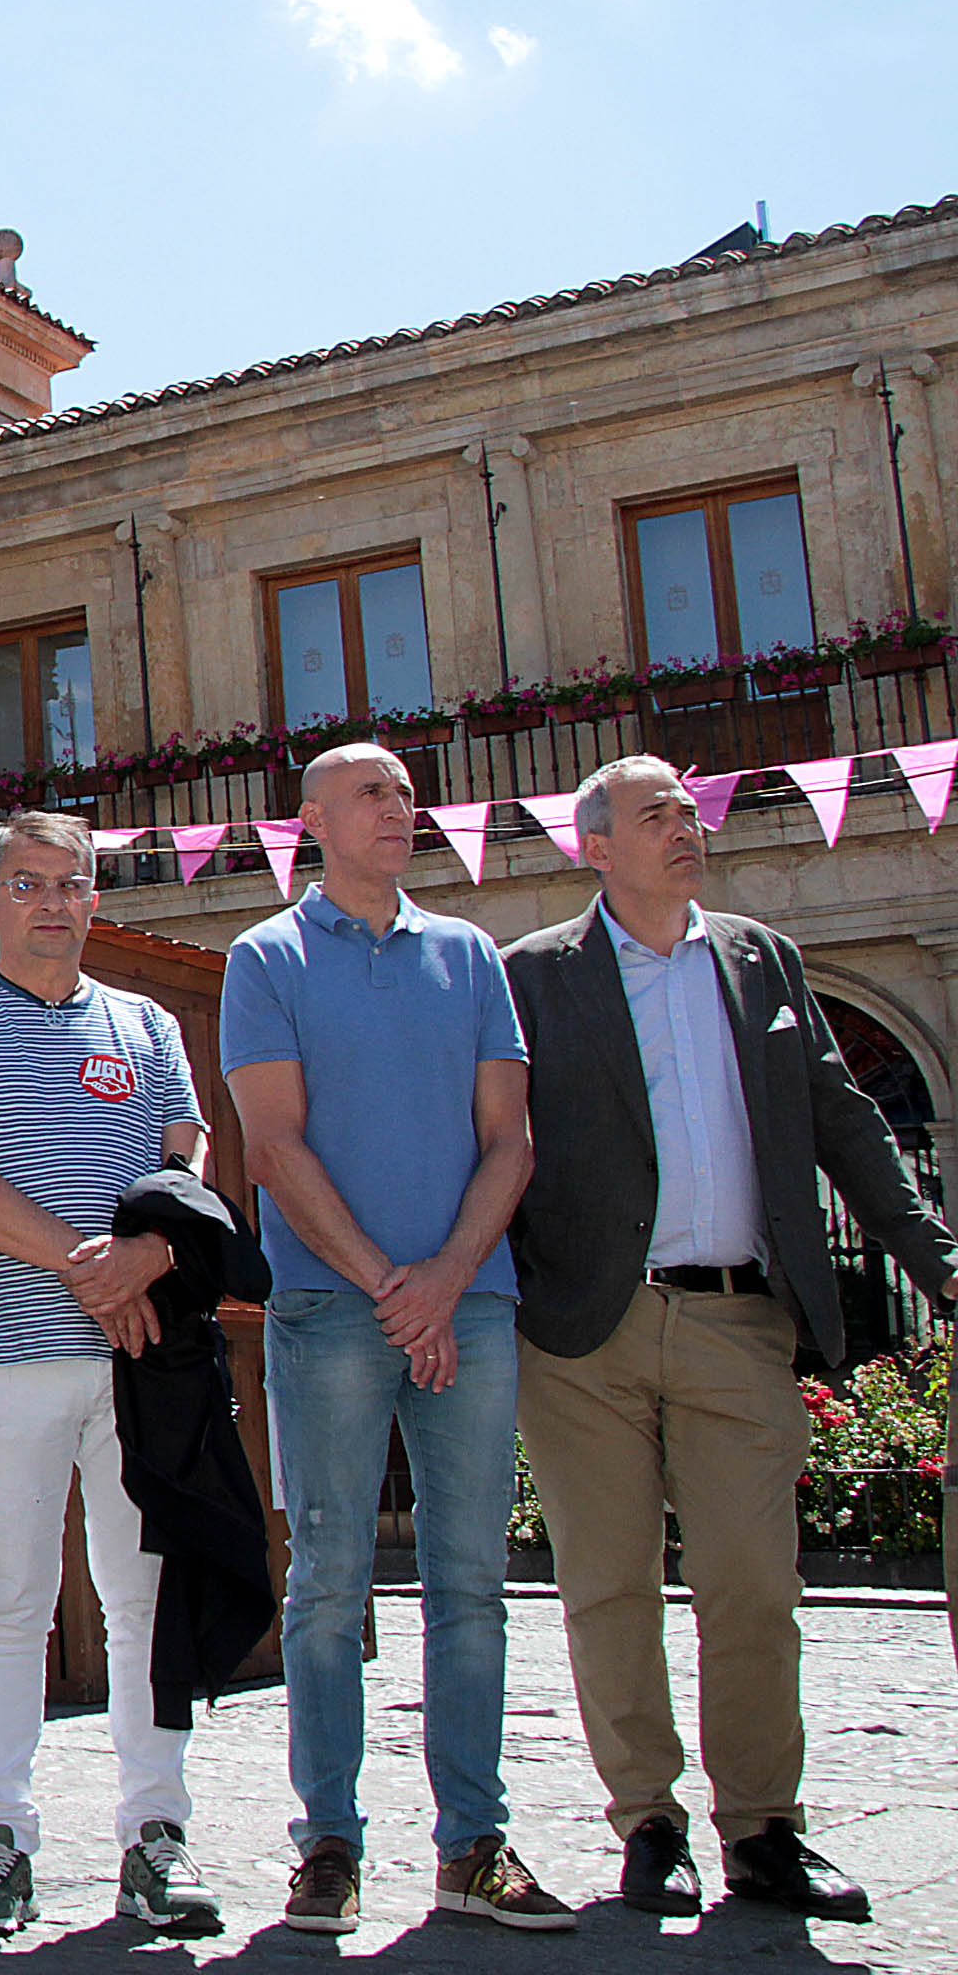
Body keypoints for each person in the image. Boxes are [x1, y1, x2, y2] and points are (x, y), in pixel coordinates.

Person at [504, 755, 958, 1921]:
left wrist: (936, 1263)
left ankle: (763, 1827)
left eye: (688, 811)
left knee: (755, 1586)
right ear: (592, 846)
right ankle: (647, 1822)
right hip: (583, 1333)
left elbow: (844, 1123)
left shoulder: (763, 958)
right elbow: (492, 1146)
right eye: (655, 814)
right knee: (607, 1587)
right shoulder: (533, 977)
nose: (685, 826)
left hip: (739, 1318)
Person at [220, 742, 569, 1936]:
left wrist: (446, 1279)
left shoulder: (469, 955)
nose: (401, 807)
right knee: (325, 1583)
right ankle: (329, 1841)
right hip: (330, 1308)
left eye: (409, 792)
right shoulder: (265, 958)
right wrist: (387, 1285)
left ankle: (473, 1844)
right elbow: (272, 1147)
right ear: (311, 820)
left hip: (467, 1303)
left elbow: (510, 1142)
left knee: (474, 1583)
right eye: (373, 792)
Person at [0, 810, 224, 1940]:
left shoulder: (150, 1024)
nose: (51, 902)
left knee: (143, 1604)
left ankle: (156, 1836)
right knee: (10, 1604)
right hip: (5, 1354)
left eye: (71, 884)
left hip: (143, 1363)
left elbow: (189, 1164)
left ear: (95, 899)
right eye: (26, 883)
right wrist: (92, 1269)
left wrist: (145, 1259)